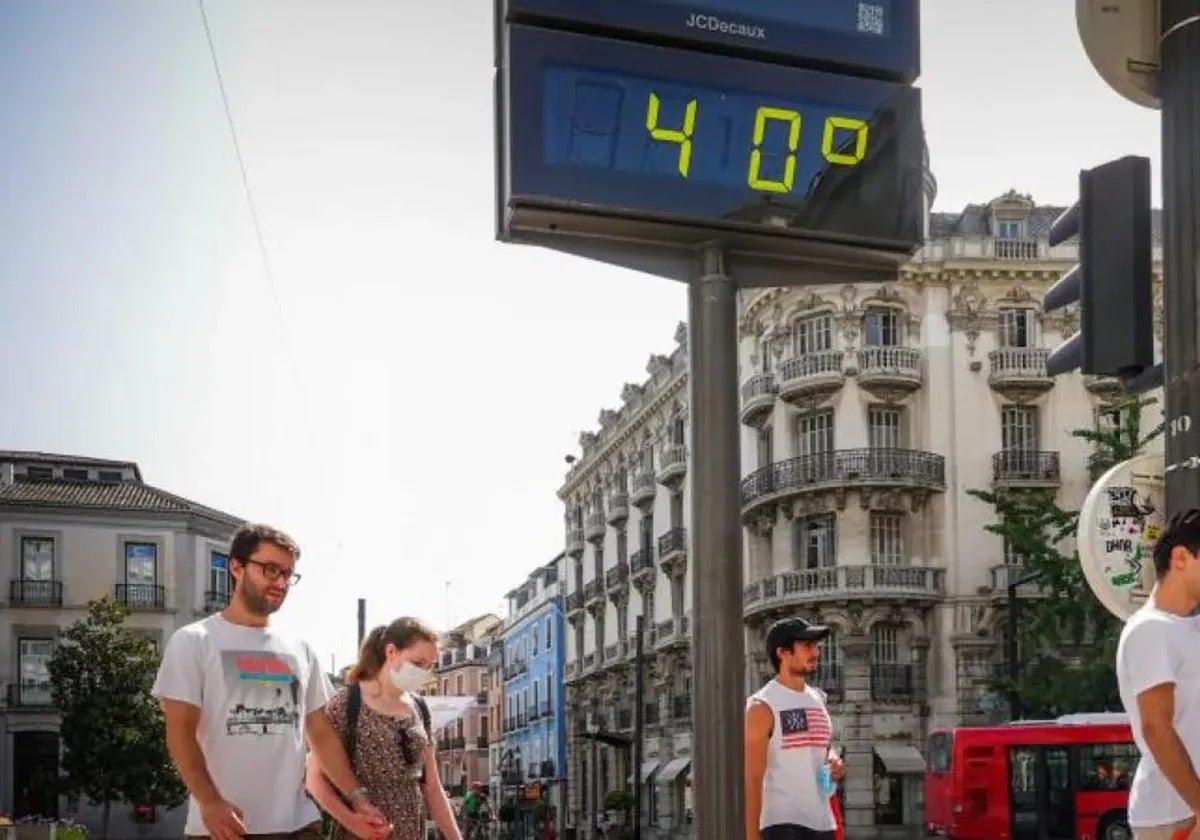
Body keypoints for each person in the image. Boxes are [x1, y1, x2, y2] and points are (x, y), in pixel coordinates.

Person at [153, 522, 387, 840]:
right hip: (224, 826)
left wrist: (357, 797)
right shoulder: (193, 641)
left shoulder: (300, 648)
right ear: (237, 566)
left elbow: (320, 732)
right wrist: (209, 802)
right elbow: (179, 733)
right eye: (271, 570)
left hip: (299, 824)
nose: (281, 582)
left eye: (289, 575)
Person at [307, 617, 463, 840]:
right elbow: (314, 780)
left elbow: (433, 788)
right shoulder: (346, 704)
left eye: (430, 666)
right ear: (391, 652)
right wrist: (354, 823)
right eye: (418, 663)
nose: (424, 672)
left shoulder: (419, 708)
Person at [1116, 509, 1200, 840]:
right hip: (1176, 815)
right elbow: (1156, 727)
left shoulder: (1187, 629)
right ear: (1181, 558)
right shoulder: (1151, 629)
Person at [745, 617, 845, 840]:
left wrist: (834, 759)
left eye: (817, 646)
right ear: (783, 653)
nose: (816, 653)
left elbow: (823, 748)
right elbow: (752, 780)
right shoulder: (762, 707)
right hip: (782, 824)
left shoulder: (818, 699)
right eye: (807, 646)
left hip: (823, 823)